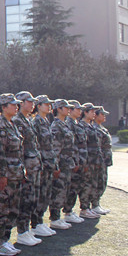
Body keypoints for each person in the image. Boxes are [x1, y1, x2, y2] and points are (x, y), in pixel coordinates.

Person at [0, 93, 24, 256]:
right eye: (12, 104)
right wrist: (2, 175)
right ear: (3, 107)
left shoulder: (12, 124)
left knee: (13, 208)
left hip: (15, 173)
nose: (16, 106)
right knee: (2, 208)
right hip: (6, 175)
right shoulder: (0, 126)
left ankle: (6, 239)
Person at [13, 92, 43, 247]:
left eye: (33, 102)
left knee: (32, 198)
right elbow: (19, 148)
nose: (32, 105)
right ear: (21, 103)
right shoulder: (17, 121)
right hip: (26, 167)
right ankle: (22, 231)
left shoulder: (27, 120)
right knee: (25, 199)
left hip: (33, 165)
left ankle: (27, 229)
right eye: (29, 102)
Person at [32, 95, 57, 236]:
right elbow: (36, 145)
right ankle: (35, 223)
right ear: (39, 106)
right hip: (41, 163)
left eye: (49, 104)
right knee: (40, 194)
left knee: (46, 193)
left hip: (48, 162)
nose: (49, 106)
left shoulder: (46, 121)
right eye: (46, 104)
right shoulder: (36, 122)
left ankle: (40, 221)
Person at [49, 99, 76, 230]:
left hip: (67, 163)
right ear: (59, 109)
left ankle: (58, 216)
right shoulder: (56, 126)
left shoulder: (64, 125)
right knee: (58, 190)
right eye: (66, 107)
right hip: (61, 163)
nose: (68, 109)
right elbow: (56, 149)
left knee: (64, 189)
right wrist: (56, 166)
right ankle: (54, 217)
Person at [63, 101, 87, 224]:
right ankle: (67, 211)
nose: (80, 111)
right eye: (77, 109)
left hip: (78, 160)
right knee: (71, 187)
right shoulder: (68, 124)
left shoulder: (76, 123)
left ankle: (70, 210)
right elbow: (70, 145)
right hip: (71, 161)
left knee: (76, 186)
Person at [78, 103, 102, 219]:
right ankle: (84, 208)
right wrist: (85, 162)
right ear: (85, 112)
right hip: (87, 161)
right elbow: (83, 146)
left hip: (94, 161)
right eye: (91, 112)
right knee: (86, 184)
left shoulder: (91, 125)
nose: (94, 114)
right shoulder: (82, 126)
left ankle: (88, 207)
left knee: (92, 184)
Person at [93, 106, 112, 215]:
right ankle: (94, 204)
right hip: (99, 161)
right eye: (102, 114)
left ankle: (97, 203)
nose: (104, 116)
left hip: (104, 160)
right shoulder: (95, 128)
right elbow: (97, 146)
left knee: (103, 182)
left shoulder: (102, 128)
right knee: (98, 182)